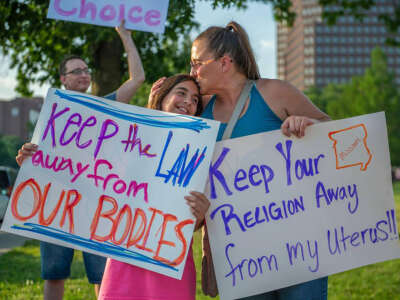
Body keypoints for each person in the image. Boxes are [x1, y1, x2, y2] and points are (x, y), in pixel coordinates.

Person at [189, 21, 331, 300]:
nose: (192, 72)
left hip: (299, 247)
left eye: (196, 63)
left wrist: (307, 123)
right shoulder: (200, 108)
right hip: (240, 256)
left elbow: (332, 131)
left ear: (225, 62)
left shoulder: (274, 93)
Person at [15, 21, 145, 300]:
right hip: (54, 202)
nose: (84, 74)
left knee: (102, 277)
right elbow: (33, 159)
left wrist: (125, 37)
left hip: (95, 204)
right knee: (54, 273)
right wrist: (25, 157)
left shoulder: (103, 107)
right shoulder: (51, 113)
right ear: (63, 78)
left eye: (87, 70)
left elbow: (137, 80)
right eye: (77, 71)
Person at [97, 74, 210, 300]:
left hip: (171, 263)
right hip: (125, 261)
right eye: (181, 92)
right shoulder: (130, 139)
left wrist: (201, 213)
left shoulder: (199, 154)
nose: (189, 101)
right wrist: (38, 162)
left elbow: (194, 224)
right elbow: (89, 178)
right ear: (162, 97)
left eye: (195, 99)